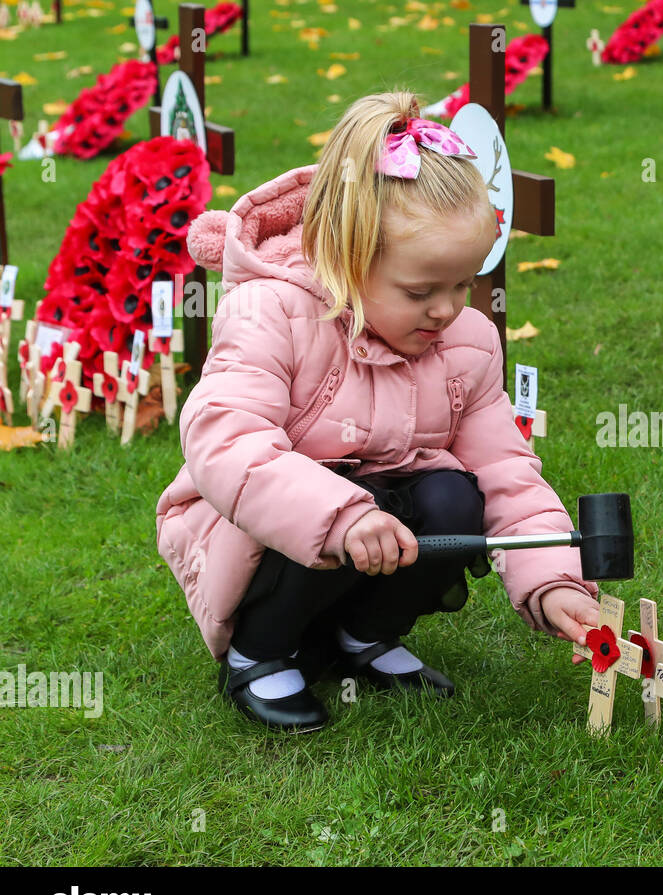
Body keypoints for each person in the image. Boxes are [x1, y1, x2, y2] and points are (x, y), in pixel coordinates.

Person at [156, 90, 600, 733]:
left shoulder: (465, 344)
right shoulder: (271, 314)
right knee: (336, 496)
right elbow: (227, 443)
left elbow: (508, 470)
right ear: (346, 258)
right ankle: (259, 650)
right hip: (254, 529)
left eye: (463, 284)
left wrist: (552, 579)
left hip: (376, 522)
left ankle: (363, 635)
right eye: (421, 290)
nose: (447, 309)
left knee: (454, 498)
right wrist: (338, 518)